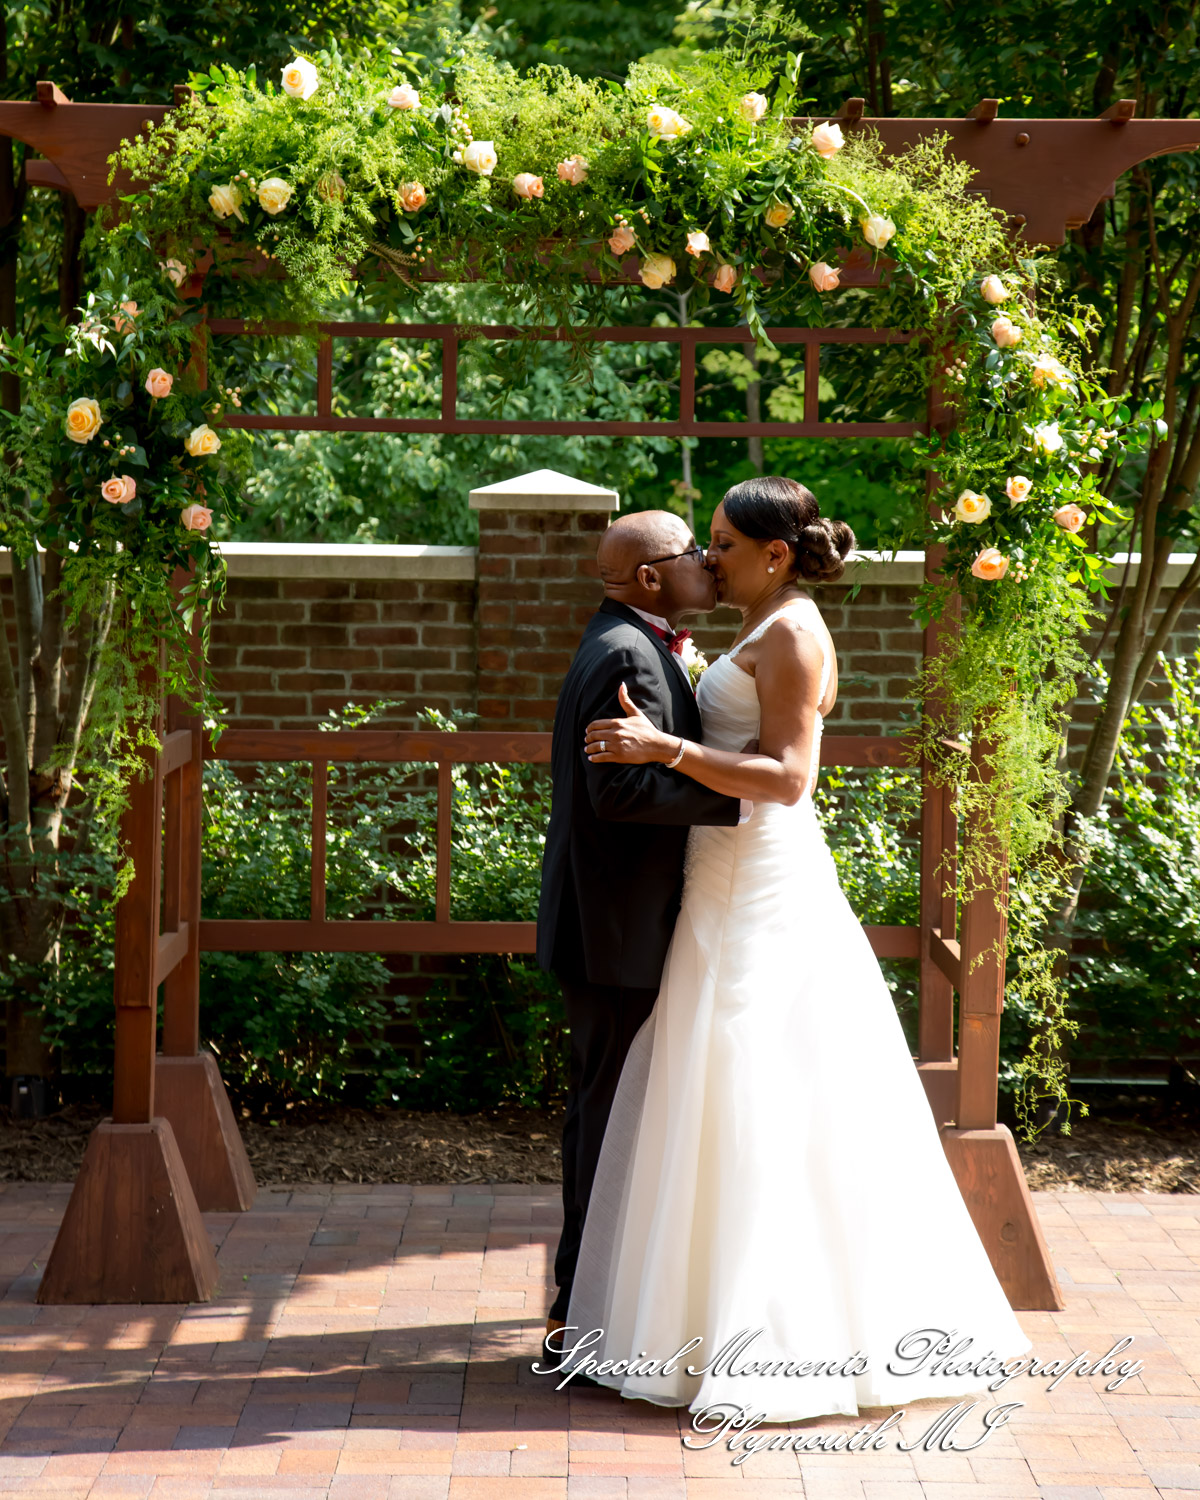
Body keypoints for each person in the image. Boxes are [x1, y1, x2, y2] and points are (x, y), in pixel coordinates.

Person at [550, 476, 1030, 1421]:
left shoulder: (798, 635)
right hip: (717, 880)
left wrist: (666, 751)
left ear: (775, 555)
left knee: (759, 1083)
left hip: (760, 877)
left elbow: (790, 777)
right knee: (708, 1087)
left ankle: (774, 1334)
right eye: (706, 543)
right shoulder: (760, 624)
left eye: (722, 542)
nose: (709, 557)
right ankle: (683, 1318)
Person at [536, 510, 743, 1337]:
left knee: (612, 1118)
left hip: (611, 927)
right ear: (651, 576)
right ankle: (577, 1318)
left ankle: (599, 1308)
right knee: (607, 1124)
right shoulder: (628, 651)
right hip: (618, 936)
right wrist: (744, 796)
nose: (709, 562)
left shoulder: (629, 639)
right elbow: (616, 794)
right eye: (697, 551)